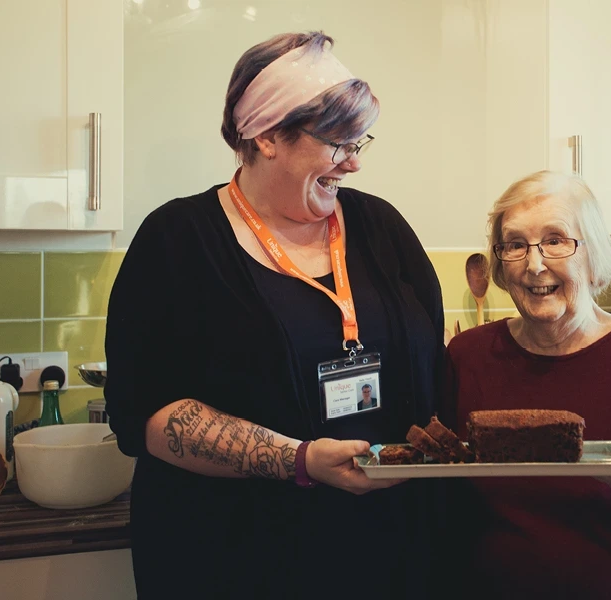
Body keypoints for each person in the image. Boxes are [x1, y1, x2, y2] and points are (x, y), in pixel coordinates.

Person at [104, 31, 445, 599]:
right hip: (230, 556)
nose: (354, 163)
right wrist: (298, 460)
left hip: (385, 550)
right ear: (266, 136)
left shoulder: (381, 228)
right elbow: (145, 416)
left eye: (361, 141)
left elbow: (431, 362)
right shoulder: (177, 241)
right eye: (337, 143)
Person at [441, 170, 611, 599]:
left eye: (555, 240)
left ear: (592, 254)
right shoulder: (468, 355)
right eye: (514, 244)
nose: (533, 264)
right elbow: (448, 510)